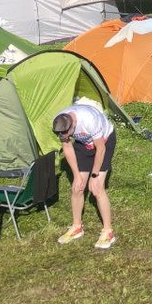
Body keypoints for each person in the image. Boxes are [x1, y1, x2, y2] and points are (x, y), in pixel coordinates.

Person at [52, 101, 117, 250]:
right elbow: (67, 147)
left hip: (105, 142)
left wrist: (94, 176)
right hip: (83, 144)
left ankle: (108, 231)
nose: (64, 137)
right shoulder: (60, 123)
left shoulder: (89, 120)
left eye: (67, 134)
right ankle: (77, 227)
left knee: (97, 188)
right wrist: (76, 175)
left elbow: (100, 149)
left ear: (73, 125)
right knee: (77, 188)